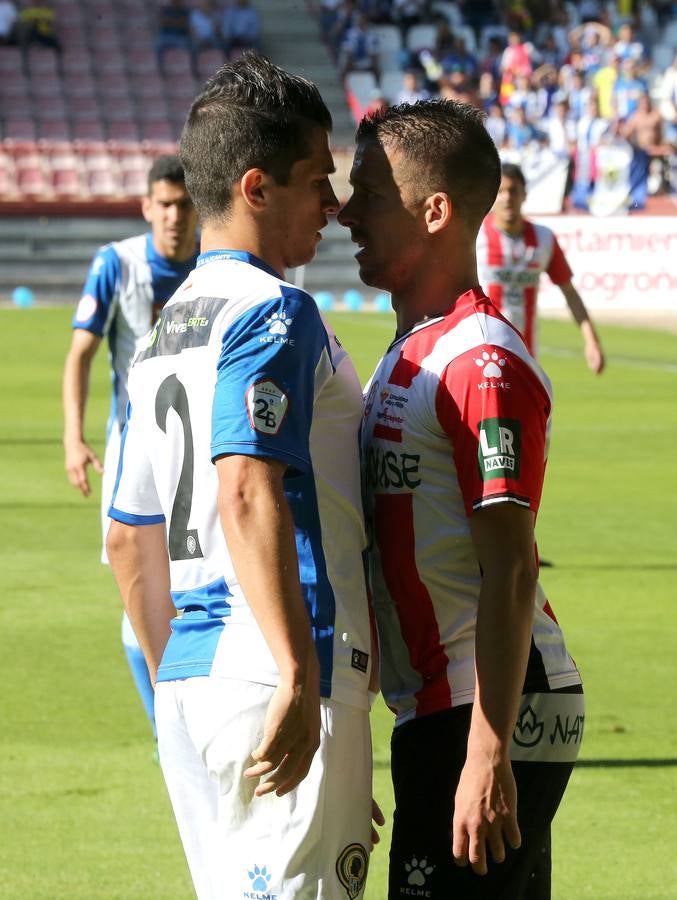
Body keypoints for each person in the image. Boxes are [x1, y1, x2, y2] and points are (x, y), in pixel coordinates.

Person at [106, 53, 378, 900]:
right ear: (257, 187)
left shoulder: (160, 335)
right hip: (281, 669)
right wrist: (300, 681)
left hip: (189, 682)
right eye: (315, 181)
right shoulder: (275, 311)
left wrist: (180, 692)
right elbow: (246, 485)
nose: (333, 206)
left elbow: (126, 540)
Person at [338, 99, 584, 899]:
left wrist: (488, 752)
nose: (345, 213)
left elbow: (511, 570)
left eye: (369, 194)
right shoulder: (413, 348)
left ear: (434, 211)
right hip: (443, 707)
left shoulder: (480, 363)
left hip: (485, 706)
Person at [62, 155, 199, 746]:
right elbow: (81, 353)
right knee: (140, 589)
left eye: (185, 204)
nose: (174, 216)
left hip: (197, 452)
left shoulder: (213, 267)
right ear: (146, 208)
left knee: (195, 586)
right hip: (134, 450)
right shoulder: (116, 264)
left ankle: (194, 715)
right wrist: (74, 435)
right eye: (164, 204)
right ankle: (168, 729)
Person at [477, 162, 605, 372]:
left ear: (524, 195)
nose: (508, 197)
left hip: (526, 356)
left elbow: (570, 293)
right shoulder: (476, 236)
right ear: (492, 196)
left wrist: (591, 339)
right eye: (501, 191)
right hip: (483, 353)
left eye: (513, 191)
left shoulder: (543, 239)